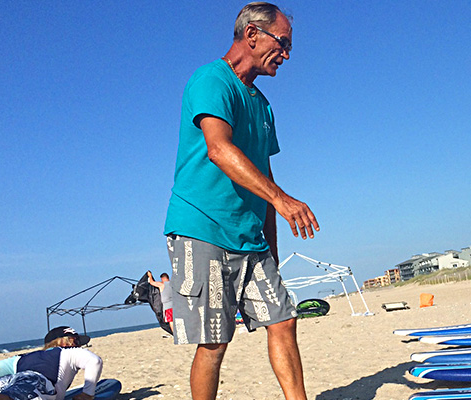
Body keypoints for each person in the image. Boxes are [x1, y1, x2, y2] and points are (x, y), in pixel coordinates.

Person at [162, 3, 317, 400]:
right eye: (282, 43)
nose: (286, 54)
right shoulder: (211, 81)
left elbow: (265, 177)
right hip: (203, 228)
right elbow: (218, 148)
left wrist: (274, 247)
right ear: (252, 35)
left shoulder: (263, 106)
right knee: (214, 343)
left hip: (251, 237)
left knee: (283, 320)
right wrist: (282, 201)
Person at [0, 327, 102, 400]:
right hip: (36, 381)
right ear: (66, 342)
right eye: (75, 341)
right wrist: (87, 394)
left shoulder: (23, 357)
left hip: (6, 382)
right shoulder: (70, 352)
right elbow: (95, 361)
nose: (78, 345)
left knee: (1, 396)